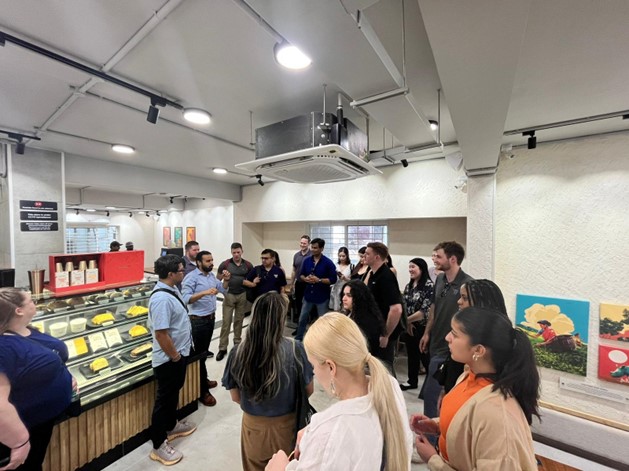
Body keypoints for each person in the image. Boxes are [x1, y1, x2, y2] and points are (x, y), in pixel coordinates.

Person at [265, 312, 413, 471]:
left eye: (313, 366)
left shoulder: (332, 429)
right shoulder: (388, 386)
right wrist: (314, 432)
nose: (314, 373)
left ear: (331, 367)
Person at [411, 307, 540, 470]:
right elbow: (467, 425)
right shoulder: (468, 375)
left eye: (455, 334)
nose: (447, 337)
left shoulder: (496, 412)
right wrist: (437, 426)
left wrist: (433, 460)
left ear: (478, 350)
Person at [222, 292, 314, 471]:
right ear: (280, 319)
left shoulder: (237, 352)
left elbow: (235, 397)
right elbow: (308, 390)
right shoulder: (296, 349)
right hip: (286, 426)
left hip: (253, 426)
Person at [0, 288, 75, 471]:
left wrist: (66, 375)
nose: (35, 303)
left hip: (41, 421)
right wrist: (19, 442)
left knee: (35, 464)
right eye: (31, 301)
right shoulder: (3, 347)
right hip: (23, 427)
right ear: (19, 310)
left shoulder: (26, 330)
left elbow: (46, 359)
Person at [148, 255, 196, 466]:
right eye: (180, 270)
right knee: (164, 400)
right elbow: (161, 334)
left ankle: (171, 425)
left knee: (173, 394)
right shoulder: (161, 299)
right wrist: (175, 356)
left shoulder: (172, 288)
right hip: (169, 359)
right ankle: (159, 446)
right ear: (170, 274)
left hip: (179, 354)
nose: (183, 273)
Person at [419, 241, 473, 420]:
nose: (434, 260)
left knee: (432, 395)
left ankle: (432, 434)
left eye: (439, 256)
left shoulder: (468, 285)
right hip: (435, 342)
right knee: (433, 393)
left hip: (451, 348)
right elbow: (434, 308)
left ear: (453, 259)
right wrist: (427, 332)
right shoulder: (440, 279)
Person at [181, 251, 230, 405]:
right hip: (197, 322)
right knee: (198, 356)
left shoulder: (211, 277)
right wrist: (203, 293)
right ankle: (202, 391)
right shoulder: (191, 277)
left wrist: (226, 281)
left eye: (212, 260)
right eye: (208, 261)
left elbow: (223, 290)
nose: (211, 263)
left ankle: (203, 379)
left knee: (203, 354)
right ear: (199, 263)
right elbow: (185, 298)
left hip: (210, 319)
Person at [363, 242, 403, 373]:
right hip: (374, 330)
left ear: (377, 257)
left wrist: (386, 334)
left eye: (368, 253)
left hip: (383, 333)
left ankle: (390, 393)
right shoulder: (374, 274)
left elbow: (396, 309)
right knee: (375, 367)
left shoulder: (386, 276)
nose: (364, 255)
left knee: (385, 369)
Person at [400, 258, 433, 391]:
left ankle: (431, 385)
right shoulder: (409, 285)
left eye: (413, 267)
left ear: (421, 269)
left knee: (425, 356)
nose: (410, 270)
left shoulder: (429, 286)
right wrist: (407, 324)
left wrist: (406, 320)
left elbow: (424, 311)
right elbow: (405, 304)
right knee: (412, 355)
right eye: (409, 267)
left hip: (423, 327)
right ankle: (411, 381)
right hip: (410, 325)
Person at [217, 243, 254, 361]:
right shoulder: (225, 264)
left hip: (242, 295)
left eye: (238, 252)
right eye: (234, 252)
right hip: (229, 295)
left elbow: (251, 280)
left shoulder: (248, 265)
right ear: (231, 252)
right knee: (226, 323)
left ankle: (237, 343)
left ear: (242, 251)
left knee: (239, 321)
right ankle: (222, 348)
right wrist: (222, 289)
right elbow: (217, 280)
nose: (236, 254)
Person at [294, 238, 337, 341]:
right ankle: (298, 339)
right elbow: (301, 275)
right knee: (302, 319)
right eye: (312, 247)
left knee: (322, 321)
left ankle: (322, 341)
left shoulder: (328, 263)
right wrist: (306, 279)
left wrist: (319, 280)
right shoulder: (306, 260)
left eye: (315, 248)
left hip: (322, 297)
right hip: (308, 295)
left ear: (321, 249)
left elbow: (333, 280)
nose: (312, 250)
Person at [340, 280, 385, 359]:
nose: (344, 298)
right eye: (343, 295)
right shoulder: (351, 313)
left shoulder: (368, 321)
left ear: (359, 297)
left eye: (349, 295)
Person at [291, 235, 311, 324]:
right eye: (301, 243)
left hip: (309, 284)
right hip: (298, 283)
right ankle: (300, 320)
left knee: (308, 304)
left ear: (308, 244)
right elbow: (294, 270)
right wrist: (291, 284)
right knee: (298, 303)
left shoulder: (312, 255)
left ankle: (307, 321)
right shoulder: (296, 255)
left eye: (304, 243)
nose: (302, 245)